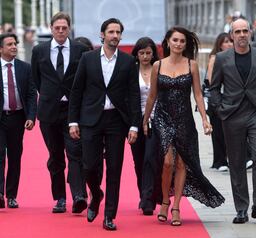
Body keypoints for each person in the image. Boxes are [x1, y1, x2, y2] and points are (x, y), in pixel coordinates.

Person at [143, 26, 225, 226]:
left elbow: (197, 94)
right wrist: (145, 120)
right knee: (168, 162)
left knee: (181, 164)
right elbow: (152, 95)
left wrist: (205, 119)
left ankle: (176, 206)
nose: (179, 44)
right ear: (168, 42)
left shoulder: (192, 65)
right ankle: (164, 200)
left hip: (184, 120)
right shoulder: (158, 66)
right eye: (175, 40)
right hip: (162, 118)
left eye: (182, 41)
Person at [68, 18, 141, 231]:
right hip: (90, 119)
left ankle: (109, 215)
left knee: (114, 169)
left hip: (117, 121)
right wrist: (73, 121)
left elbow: (133, 95)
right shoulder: (87, 58)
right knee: (89, 166)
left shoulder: (128, 62)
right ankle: (96, 194)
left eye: (118, 32)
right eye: (111, 32)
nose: (115, 35)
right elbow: (77, 91)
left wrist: (134, 125)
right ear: (102, 35)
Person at [210, 18, 256, 224]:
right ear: (231, 35)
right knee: (237, 163)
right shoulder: (222, 58)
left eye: (245, 31)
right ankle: (241, 208)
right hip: (232, 116)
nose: (241, 35)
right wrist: (221, 109)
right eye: (237, 31)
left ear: (251, 33)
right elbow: (213, 88)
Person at [31, 12, 88, 214]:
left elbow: (85, 78)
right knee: (55, 157)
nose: (61, 31)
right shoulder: (39, 50)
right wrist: (48, 95)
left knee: (75, 153)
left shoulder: (81, 50)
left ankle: (79, 195)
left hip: (73, 112)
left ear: (69, 28)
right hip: (49, 112)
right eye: (57, 28)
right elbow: (36, 79)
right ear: (51, 28)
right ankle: (60, 198)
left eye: (64, 28)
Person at [0, 33, 37, 209]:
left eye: (15, 43)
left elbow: (31, 94)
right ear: (1, 49)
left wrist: (31, 116)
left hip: (17, 118)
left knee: (15, 158)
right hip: (0, 118)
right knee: (0, 156)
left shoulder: (24, 68)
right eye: (9, 44)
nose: (14, 46)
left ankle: (12, 195)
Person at [130, 37, 161, 215]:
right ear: (136, 54)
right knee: (138, 160)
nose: (145, 56)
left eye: (148, 53)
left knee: (151, 157)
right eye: (141, 53)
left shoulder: (159, 69)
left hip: (156, 119)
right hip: (136, 120)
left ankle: (148, 199)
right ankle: (143, 193)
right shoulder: (131, 71)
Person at [206, 32, 232, 172]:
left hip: (230, 99)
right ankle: (220, 161)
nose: (229, 44)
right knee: (218, 131)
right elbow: (211, 81)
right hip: (216, 99)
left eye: (230, 41)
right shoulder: (214, 58)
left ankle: (228, 159)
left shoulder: (233, 57)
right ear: (220, 44)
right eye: (226, 41)